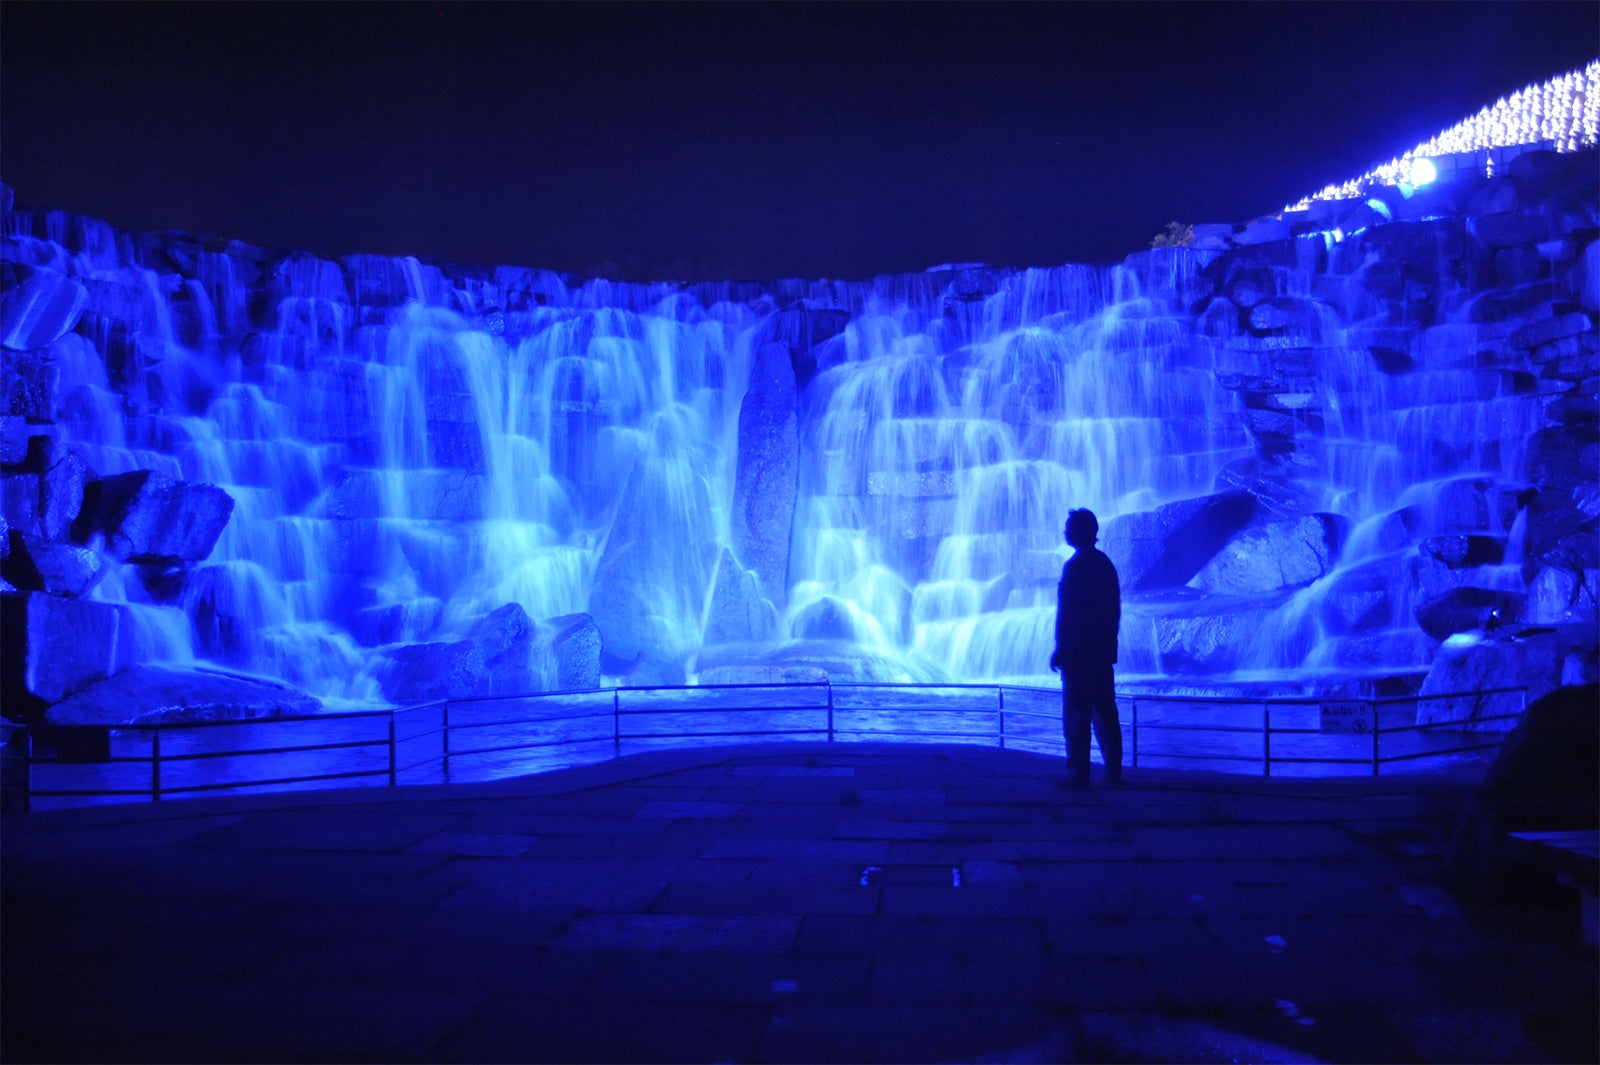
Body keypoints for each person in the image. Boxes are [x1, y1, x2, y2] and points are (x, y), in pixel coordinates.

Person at [1050, 508, 1123, 786]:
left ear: (1082, 531)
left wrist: (1062, 648)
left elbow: (1068, 614)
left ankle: (1079, 773)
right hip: (1101, 654)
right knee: (1105, 713)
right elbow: (1113, 612)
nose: (1065, 531)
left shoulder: (1075, 567)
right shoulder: (1105, 565)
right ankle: (1112, 771)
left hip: (1078, 656)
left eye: (1069, 527)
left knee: (1077, 714)